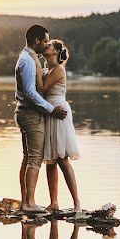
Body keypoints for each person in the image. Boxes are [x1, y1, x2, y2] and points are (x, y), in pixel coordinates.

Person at [14, 25, 67, 213]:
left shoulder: (29, 58)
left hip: (24, 112)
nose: (46, 45)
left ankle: (25, 202)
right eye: (45, 41)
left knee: (28, 158)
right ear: (36, 40)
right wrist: (51, 110)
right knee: (34, 159)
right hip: (30, 114)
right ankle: (29, 203)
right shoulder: (28, 61)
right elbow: (30, 93)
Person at [32, 39, 81, 213]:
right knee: (50, 161)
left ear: (56, 52)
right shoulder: (47, 69)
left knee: (62, 159)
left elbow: (43, 87)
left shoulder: (59, 69)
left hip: (59, 112)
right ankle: (54, 202)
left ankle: (77, 204)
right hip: (49, 112)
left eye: (50, 45)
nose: (47, 46)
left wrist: (36, 66)